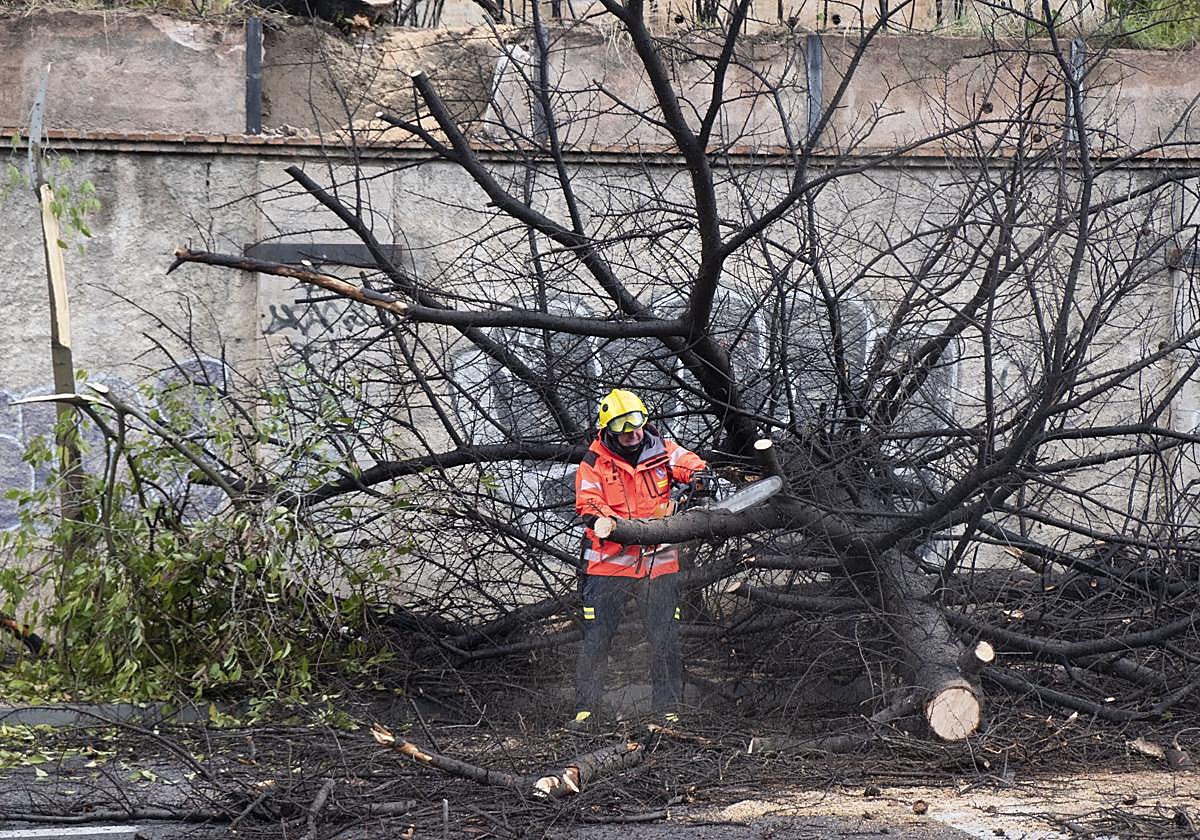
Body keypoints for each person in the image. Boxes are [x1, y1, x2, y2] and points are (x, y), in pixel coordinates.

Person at [567, 388, 711, 730]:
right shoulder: (594, 463)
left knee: (665, 637)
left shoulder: (662, 450)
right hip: (608, 566)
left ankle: (668, 710)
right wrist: (623, 528)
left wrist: (700, 478)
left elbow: (689, 464)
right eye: (624, 429)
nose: (633, 434)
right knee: (597, 637)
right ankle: (587, 710)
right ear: (608, 430)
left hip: (657, 565)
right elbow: (588, 506)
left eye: (637, 425)